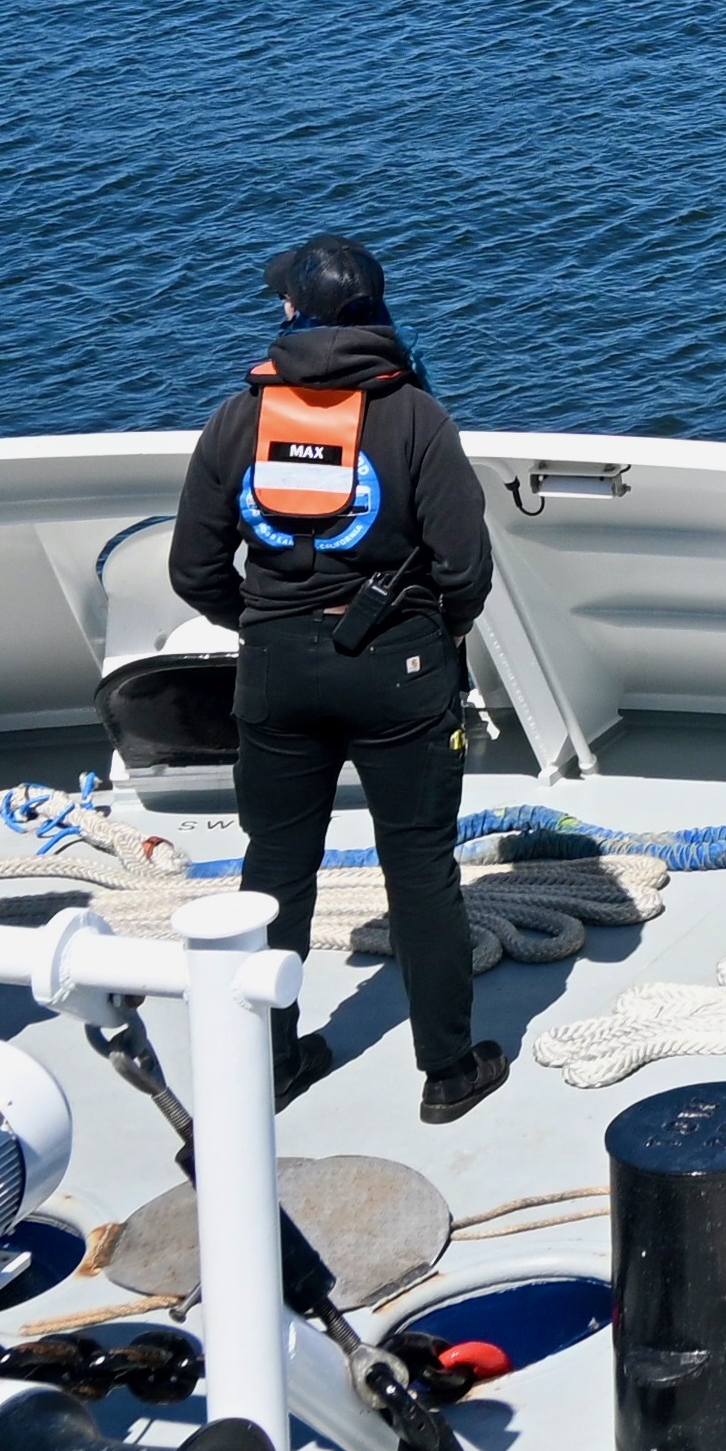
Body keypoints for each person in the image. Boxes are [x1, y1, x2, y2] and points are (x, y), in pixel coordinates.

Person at [168, 238, 506, 1121]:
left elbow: (193, 568)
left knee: (275, 868)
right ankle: (447, 1072)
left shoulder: (236, 420)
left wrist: (264, 620)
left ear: (294, 314)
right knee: (421, 869)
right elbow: (466, 567)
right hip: (398, 670)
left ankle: (270, 1065)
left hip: (277, 672)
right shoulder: (416, 419)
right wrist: (431, 630)